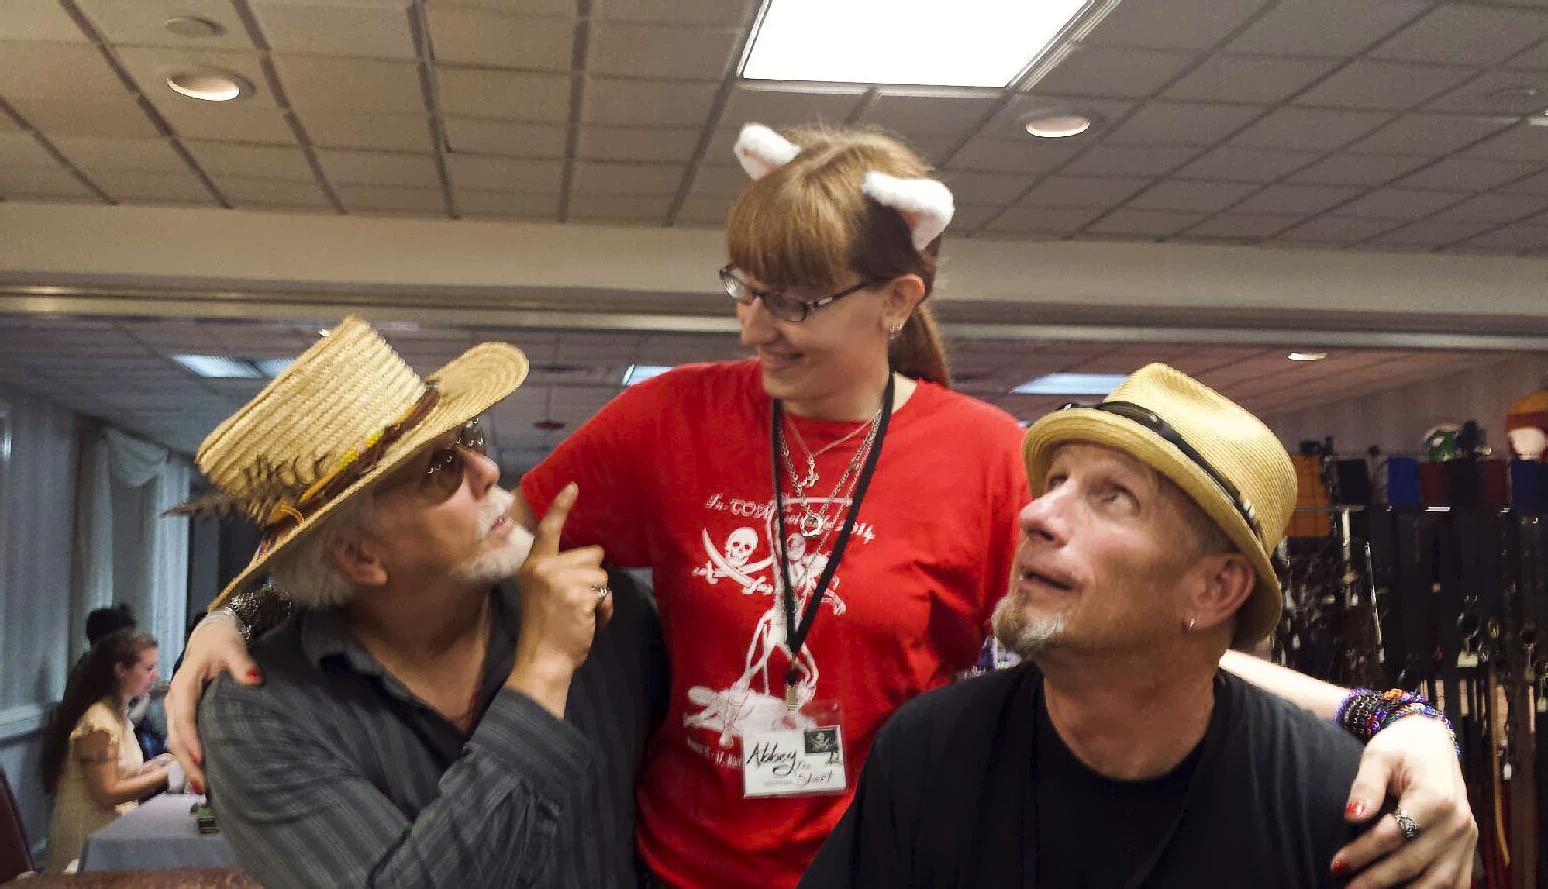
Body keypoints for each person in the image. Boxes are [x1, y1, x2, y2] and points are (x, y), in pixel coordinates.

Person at [167, 123, 1474, 888]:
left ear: (898, 301)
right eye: (742, 288)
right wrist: (242, 618)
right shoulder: (668, 421)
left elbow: (1148, 633)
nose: (756, 326)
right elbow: (459, 546)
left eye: (794, 299)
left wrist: (1389, 715)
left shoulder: (982, 454)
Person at [800, 364, 1476, 888]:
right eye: (1056, 481)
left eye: (1112, 496)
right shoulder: (930, 755)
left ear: (1215, 588)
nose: (1036, 515)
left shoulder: (1332, 805)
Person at [185, 318, 664, 887]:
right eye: (441, 469)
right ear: (360, 556)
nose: (488, 470)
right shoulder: (262, 715)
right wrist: (542, 675)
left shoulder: (609, 615)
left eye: (470, 439)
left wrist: (237, 613)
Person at [40, 630, 168, 874]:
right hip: (87, 841)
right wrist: (167, 774)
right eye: (148, 668)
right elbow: (106, 793)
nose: (156, 675)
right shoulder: (98, 722)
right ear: (121, 671)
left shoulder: (117, 715)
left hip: (111, 832)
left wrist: (157, 765)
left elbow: (120, 772)